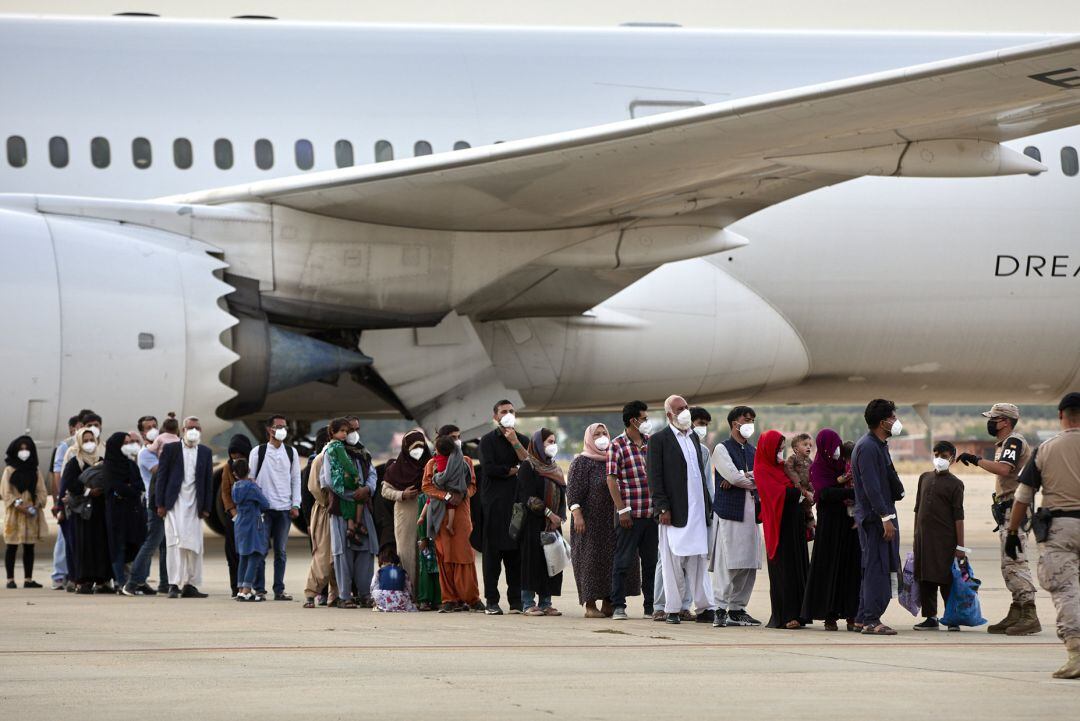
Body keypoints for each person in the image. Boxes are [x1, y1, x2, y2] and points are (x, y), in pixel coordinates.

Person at [1005, 391, 1080, 678]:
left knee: (1066, 590)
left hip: (1060, 529)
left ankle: (1076, 652)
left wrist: (1012, 532)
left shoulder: (1046, 449)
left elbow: (1023, 496)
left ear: (1061, 416)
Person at [957, 403, 1040, 635]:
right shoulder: (1006, 443)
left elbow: (1004, 469)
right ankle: (1018, 609)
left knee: (1015, 561)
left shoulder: (1013, 442)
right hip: (1008, 508)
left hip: (1016, 508)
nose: (990, 422)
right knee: (1008, 563)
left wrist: (975, 460)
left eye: (993, 418)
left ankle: (1029, 613)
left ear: (1004, 421)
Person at [647, 395, 715, 625]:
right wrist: (662, 507)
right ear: (669, 415)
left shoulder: (694, 437)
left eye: (686, 407)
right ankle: (673, 609)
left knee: (698, 561)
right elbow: (654, 478)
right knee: (672, 562)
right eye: (680, 409)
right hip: (673, 512)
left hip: (697, 511)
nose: (685, 411)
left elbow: (700, 476)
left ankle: (705, 607)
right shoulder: (659, 440)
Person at [568, 422, 639, 618]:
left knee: (613, 561)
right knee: (590, 561)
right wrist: (577, 515)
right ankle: (590, 605)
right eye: (597, 434)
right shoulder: (581, 463)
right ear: (589, 438)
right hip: (590, 522)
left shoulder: (613, 458)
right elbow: (573, 493)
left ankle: (610, 602)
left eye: (604, 433)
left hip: (613, 520)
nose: (601, 437)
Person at [851, 399, 904, 635]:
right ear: (883, 422)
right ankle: (872, 619)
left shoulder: (879, 445)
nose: (895, 421)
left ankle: (863, 617)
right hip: (876, 518)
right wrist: (885, 517)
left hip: (881, 513)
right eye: (892, 417)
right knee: (877, 567)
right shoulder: (869, 447)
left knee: (878, 565)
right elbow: (872, 487)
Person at [801, 429, 861, 631]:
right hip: (829, 527)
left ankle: (852, 614)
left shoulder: (844, 466)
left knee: (850, 570)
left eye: (838, 446)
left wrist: (848, 490)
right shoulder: (819, 468)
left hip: (848, 524)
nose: (836, 450)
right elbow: (824, 493)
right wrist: (852, 491)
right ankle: (830, 615)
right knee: (829, 571)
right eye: (833, 446)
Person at [710, 406, 763, 628]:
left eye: (752, 419)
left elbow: (762, 476)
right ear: (734, 423)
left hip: (751, 513)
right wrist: (743, 478)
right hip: (730, 513)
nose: (750, 423)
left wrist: (743, 477)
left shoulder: (754, 450)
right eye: (746, 419)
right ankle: (720, 608)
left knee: (749, 563)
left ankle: (737, 608)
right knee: (728, 562)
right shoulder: (722, 449)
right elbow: (733, 476)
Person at [477, 399, 529, 615]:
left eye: (511, 411)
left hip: (516, 506)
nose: (508, 414)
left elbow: (529, 465)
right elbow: (489, 469)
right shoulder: (487, 441)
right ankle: (491, 600)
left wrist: (515, 442)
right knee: (492, 558)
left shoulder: (523, 440)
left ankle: (516, 602)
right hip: (494, 507)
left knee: (515, 558)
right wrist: (512, 470)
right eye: (503, 411)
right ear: (495, 416)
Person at [422, 434, 483, 612]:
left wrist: (462, 495)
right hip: (441, 516)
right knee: (444, 557)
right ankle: (450, 599)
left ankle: (472, 599)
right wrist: (446, 496)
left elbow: (472, 486)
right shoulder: (432, 464)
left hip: (461, 515)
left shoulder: (465, 462)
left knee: (464, 556)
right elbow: (426, 486)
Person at [608, 400, 657, 621]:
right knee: (623, 561)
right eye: (644, 419)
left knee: (651, 563)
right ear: (632, 421)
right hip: (630, 514)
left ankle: (650, 606)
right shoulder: (617, 445)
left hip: (650, 514)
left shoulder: (651, 443)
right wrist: (622, 510)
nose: (647, 422)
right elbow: (611, 479)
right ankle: (618, 605)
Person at [756, 430, 810, 629]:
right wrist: (798, 492)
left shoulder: (782, 467)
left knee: (798, 568)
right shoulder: (762, 469)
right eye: (777, 447)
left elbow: (797, 487)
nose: (780, 450)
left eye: (781, 447)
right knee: (784, 570)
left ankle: (800, 613)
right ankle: (786, 615)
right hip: (779, 526)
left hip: (794, 525)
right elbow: (779, 494)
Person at [155, 416, 213, 599]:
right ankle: (173, 584)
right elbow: (161, 478)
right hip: (174, 506)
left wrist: (207, 507)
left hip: (195, 506)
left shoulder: (205, 452)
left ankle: (191, 584)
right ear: (182, 430)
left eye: (197, 427)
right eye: (190, 427)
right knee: (174, 545)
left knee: (195, 546)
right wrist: (160, 504)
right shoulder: (171, 449)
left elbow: (208, 482)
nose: (193, 430)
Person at [323, 418, 378, 609]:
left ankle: (364, 594)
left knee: (365, 551)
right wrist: (352, 495)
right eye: (348, 430)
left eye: (355, 429)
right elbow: (329, 481)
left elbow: (372, 475)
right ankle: (345, 596)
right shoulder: (332, 452)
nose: (352, 434)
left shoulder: (364, 452)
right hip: (342, 508)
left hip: (363, 506)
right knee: (343, 554)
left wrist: (368, 490)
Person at [912, 441, 966, 632]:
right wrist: (915, 538)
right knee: (925, 578)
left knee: (946, 579)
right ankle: (930, 617)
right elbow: (918, 509)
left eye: (943, 456)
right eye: (936, 455)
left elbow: (959, 516)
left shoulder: (956, 484)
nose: (939, 460)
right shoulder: (924, 478)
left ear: (952, 458)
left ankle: (952, 618)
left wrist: (960, 546)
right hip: (923, 539)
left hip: (945, 541)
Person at [124, 414, 179, 596]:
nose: (153, 430)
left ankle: (165, 583)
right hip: (154, 500)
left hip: (165, 500)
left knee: (166, 544)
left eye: (155, 426)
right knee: (151, 542)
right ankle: (133, 582)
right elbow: (161, 471)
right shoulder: (146, 453)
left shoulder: (160, 449)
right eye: (148, 427)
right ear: (142, 432)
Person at [248, 415, 301, 602]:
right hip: (264, 509)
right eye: (278, 426)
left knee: (281, 551)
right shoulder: (258, 452)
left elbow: (296, 479)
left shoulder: (291, 452)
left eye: (285, 427)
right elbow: (251, 479)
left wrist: (296, 504)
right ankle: (259, 589)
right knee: (261, 550)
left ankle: (279, 589)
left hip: (284, 509)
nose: (282, 430)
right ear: (269, 429)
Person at [516, 428, 566, 616]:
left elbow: (562, 494)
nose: (553, 445)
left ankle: (546, 602)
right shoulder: (528, 467)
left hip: (553, 524)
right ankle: (528, 603)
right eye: (548, 442)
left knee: (551, 562)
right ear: (538, 444)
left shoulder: (555, 467)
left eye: (554, 441)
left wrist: (559, 517)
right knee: (532, 562)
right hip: (533, 523)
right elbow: (528, 497)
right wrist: (548, 513)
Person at [61, 427, 112, 593]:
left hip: (100, 509)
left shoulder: (101, 460)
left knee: (101, 544)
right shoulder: (75, 462)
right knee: (84, 545)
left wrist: (101, 490)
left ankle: (102, 580)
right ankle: (83, 581)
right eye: (86, 440)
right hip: (83, 511)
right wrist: (89, 491)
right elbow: (69, 483)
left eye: (92, 440)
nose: (90, 443)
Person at [381, 429, 430, 596]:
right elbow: (385, 491)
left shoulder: (430, 464)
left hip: (427, 512)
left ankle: (426, 594)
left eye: (421, 447)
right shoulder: (396, 469)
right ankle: (409, 593)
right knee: (406, 551)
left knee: (427, 552)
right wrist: (402, 494)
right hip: (405, 512)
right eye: (414, 447)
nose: (418, 451)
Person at [102, 431, 147, 592]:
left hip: (131, 513)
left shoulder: (130, 464)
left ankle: (134, 582)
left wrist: (127, 488)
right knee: (118, 548)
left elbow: (139, 485)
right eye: (125, 443)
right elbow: (114, 487)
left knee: (133, 545)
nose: (129, 446)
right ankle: (120, 582)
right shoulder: (108, 466)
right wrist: (127, 488)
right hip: (116, 514)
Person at [3, 435, 48, 588]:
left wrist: (36, 505)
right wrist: (18, 504)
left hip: (31, 514)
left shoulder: (35, 471)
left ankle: (28, 579)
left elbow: (42, 491)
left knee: (29, 547)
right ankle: (10, 579)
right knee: (12, 546)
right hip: (15, 514)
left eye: (27, 449)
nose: (24, 452)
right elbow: (5, 492)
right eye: (21, 449)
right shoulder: (9, 470)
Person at [303, 426, 337, 608]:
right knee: (323, 555)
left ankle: (336, 594)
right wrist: (327, 502)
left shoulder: (340, 457)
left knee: (337, 556)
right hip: (325, 511)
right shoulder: (319, 460)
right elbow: (313, 489)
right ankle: (311, 593)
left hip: (338, 511)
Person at [218, 434, 253, 598]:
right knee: (233, 553)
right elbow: (225, 492)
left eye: (239, 455)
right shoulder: (227, 468)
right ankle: (235, 587)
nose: (236, 458)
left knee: (251, 553)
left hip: (251, 515)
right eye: (233, 455)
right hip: (234, 517)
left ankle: (249, 586)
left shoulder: (253, 464)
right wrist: (233, 512)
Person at [231, 458, 270, 602]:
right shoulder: (252, 487)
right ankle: (247, 588)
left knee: (243, 556)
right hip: (253, 523)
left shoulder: (235, 487)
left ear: (235, 473)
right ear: (248, 470)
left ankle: (241, 588)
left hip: (240, 522)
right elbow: (265, 503)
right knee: (255, 554)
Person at [49, 415, 79, 590]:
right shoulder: (65, 447)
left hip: (81, 501)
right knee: (63, 539)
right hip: (68, 500)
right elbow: (58, 475)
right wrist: (58, 502)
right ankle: (59, 575)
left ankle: (74, 573)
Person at [783, 432, 816, 539]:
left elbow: (812, 474)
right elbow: (788, 468)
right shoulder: (793, 458)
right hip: (798, 488)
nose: (808, 447)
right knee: (802, 509)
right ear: (796, 449)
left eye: (810, 445)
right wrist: (796, 481)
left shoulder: (810, 461)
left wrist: (813, 489)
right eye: (805, 444)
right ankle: (808, 528)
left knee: (808, 508)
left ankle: (810, 529)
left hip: (807, 488)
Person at [415, 492, 441, 611]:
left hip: (440, 540)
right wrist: (422, 538)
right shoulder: (423, 498)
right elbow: (421, 520)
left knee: (439, 572)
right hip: (427, 541)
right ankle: (424, 600)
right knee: (425, 570)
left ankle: (439, 600)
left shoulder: (444, 494)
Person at [371, 547, 418, 612]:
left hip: (384, 601)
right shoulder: (403, 571)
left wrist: (373, 598)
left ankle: (379, 606)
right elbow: (409, 587)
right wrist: (411, 597)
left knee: (375, 591)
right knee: (405, 591)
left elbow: (373, 586)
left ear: (383, 562)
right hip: (400, 600)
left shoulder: (380, 571)